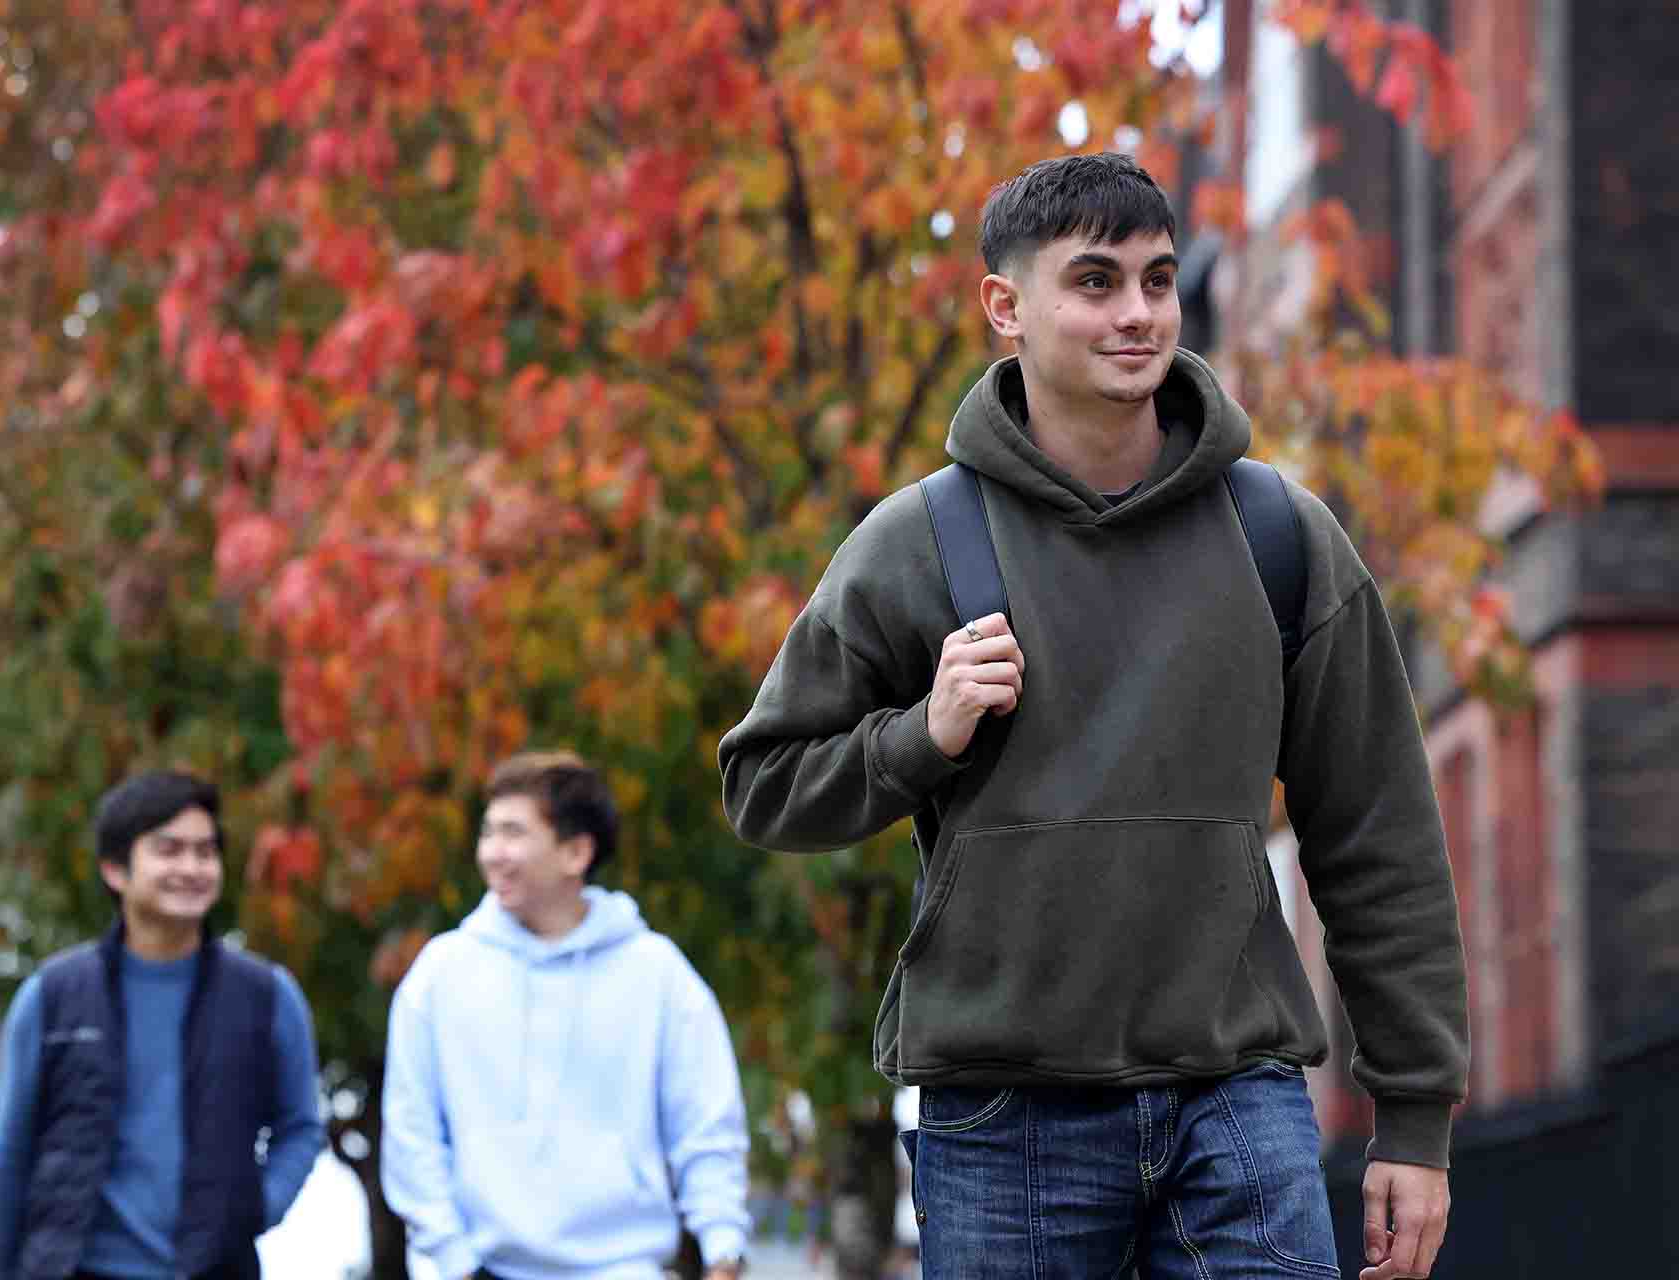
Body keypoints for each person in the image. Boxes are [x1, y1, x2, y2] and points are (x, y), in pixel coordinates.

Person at [718, 153, 1468, 1280]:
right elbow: (764, 784)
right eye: (1097, 281)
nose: (1138, 314)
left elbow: (1380, 837)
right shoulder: (918, 542)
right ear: (1006, 308)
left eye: (1158, 281)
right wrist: (923, 733)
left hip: (1239, 1098)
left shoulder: (1280, 537)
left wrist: (1413, 1116)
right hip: (1004, 1118)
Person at [381, 751, 751, 1280]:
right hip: (480, 1269)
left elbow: (708, 1125)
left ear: (576, 852)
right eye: (488, 834)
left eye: (513, 833)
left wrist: (723, 1251)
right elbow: (411, 1132)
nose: (492, 853)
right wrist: (452, 1259)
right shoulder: (441, 973)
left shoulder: (657, 973)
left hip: (624, 1268)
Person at [0, 770, 326, 1280]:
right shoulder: (52, 997)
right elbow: (11, 1152)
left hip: (214, 1268)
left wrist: (255, 1209)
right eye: (169, 850)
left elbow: (301, 1126)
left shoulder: (267, 997)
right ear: (116, 870)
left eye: (205, 852)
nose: (192, 867)